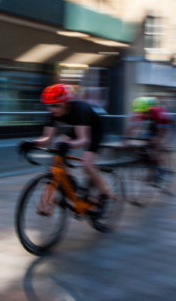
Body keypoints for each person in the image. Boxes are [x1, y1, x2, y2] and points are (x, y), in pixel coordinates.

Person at [19, 83, 114, 215]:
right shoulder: (52, 112)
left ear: (66, 103)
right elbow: (47, 138)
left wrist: (68, 145)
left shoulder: (80, 109)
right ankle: (67, 185)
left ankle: (106, 193)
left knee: (86, 165)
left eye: (55, 105)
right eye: (48, 105)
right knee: (57, 150)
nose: (51, 109)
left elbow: (84, 140)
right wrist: (32, 143)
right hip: (76, 128)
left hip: (95, 130)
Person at [125, 96, 173, 180]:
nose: (142, 114)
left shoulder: (158, 112)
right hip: (153, 125)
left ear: (149, 109)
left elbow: (161, 132)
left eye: (145, 112)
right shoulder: (141, 112)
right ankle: (152, 167)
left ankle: (163, 170)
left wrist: (160, 141)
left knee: (157, 146)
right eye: (142, 112)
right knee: (144, 145)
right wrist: (125, 138)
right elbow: (132, 126)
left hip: (165, 126)